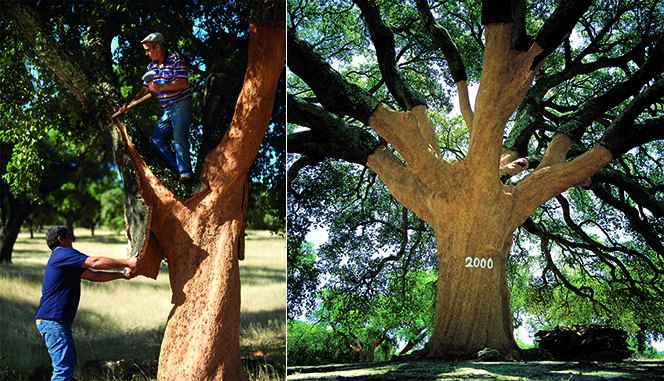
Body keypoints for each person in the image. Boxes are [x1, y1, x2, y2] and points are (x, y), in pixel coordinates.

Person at [35, 226, 142, 381]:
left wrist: (121, 275)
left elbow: (92, 276)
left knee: (67, 367)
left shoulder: (65, 261)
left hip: (56, 321)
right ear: (61, 239)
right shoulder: (63, 254)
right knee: (63, 371)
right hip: (53, 321)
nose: (71, 240)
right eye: (69, 236)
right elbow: (94, 262)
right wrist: (128, 262)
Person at [119, 32, 194, 184]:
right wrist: (131, 104)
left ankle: (186, 173)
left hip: (181, 104)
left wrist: (160, 87)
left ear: (158, 47)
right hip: (167, 110)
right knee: (157, 140)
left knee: (179, 137)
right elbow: (145, 89)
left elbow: (182, 83)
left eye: (148, 50)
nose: (146, 53)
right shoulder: (151, 67)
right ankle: (179, 171)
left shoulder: (176, 59)